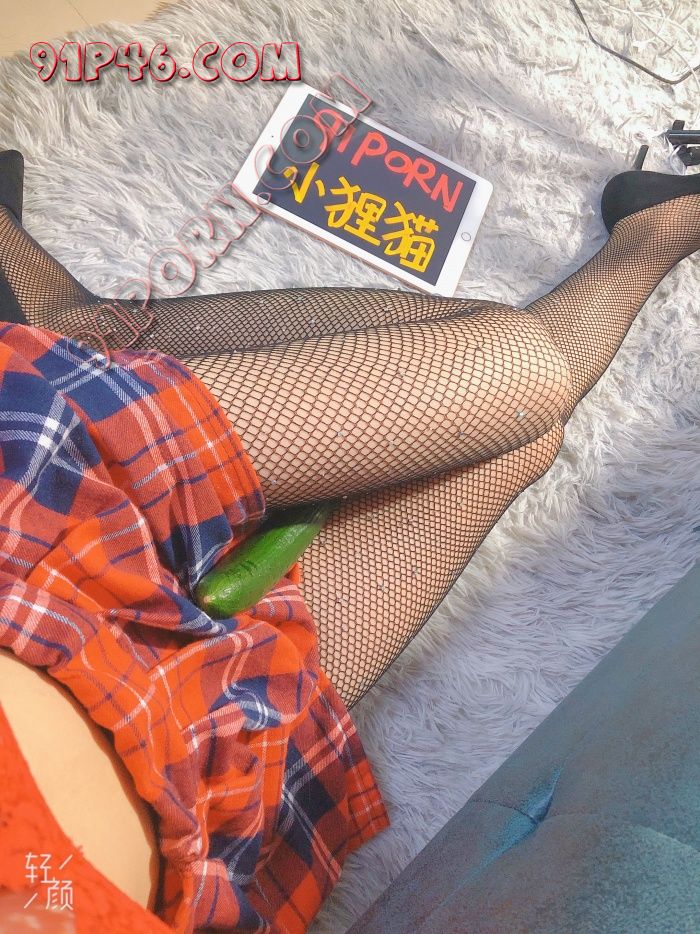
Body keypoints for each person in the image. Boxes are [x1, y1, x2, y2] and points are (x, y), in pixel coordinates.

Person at [0, 147, 697, 932]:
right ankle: (652, 233)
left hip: (38, 557)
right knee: (517, 432)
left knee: (521, 373)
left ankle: (59, 331)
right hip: (205, 791)